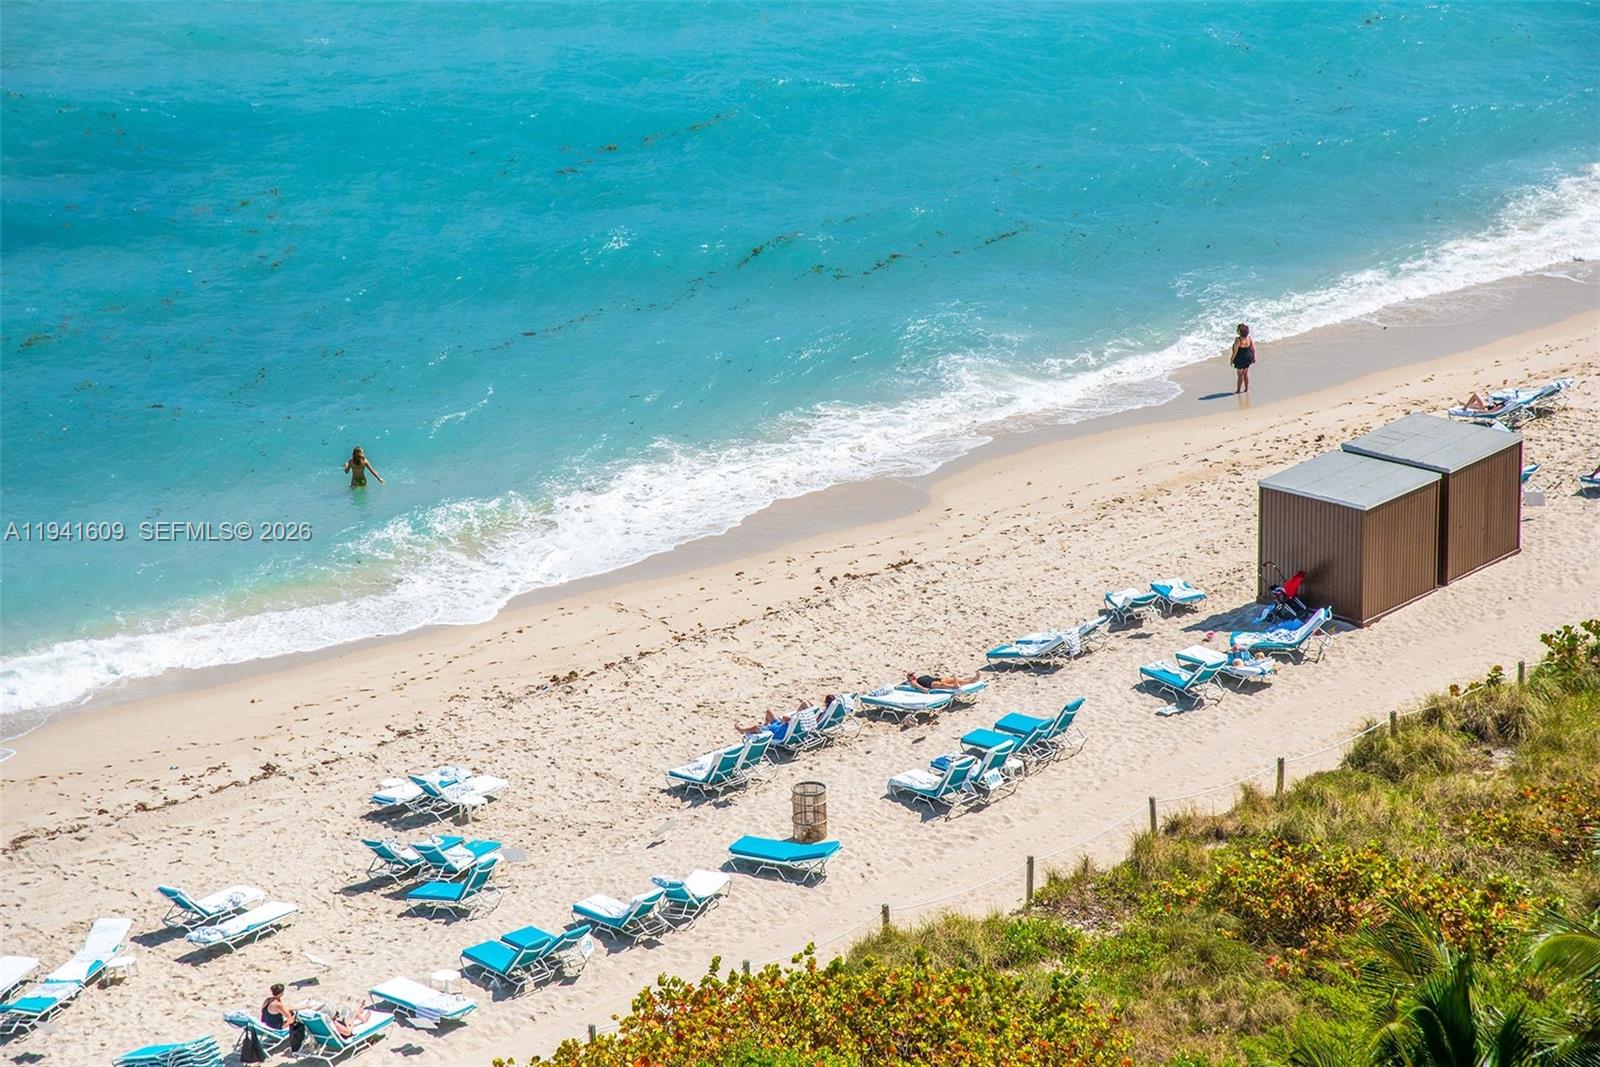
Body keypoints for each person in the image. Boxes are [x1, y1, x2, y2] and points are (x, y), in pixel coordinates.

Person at [1229, 323, 1256, 394]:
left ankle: (1238, 390)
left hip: (1240, 358)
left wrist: (1231, 360)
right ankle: (1246, 389)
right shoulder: (1249, 338)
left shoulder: (1238, 340)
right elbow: (1253, 349)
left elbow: (1235, 352)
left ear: (1239, 332)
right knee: (1246, 374)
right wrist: (1254, 357)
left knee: (1240, 375)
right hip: (1248, 357)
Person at [903, 671, 979, 692]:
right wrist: (923, 689)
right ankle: (955, 686)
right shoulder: (913, 682)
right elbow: (917, 686)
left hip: (935, 679)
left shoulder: (919, 677)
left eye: (913, 673)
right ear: (909, 678)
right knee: (943, 685)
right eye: (910, 675)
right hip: (930, 684)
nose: (913, 675)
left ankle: (971, 680)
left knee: (952, 680)